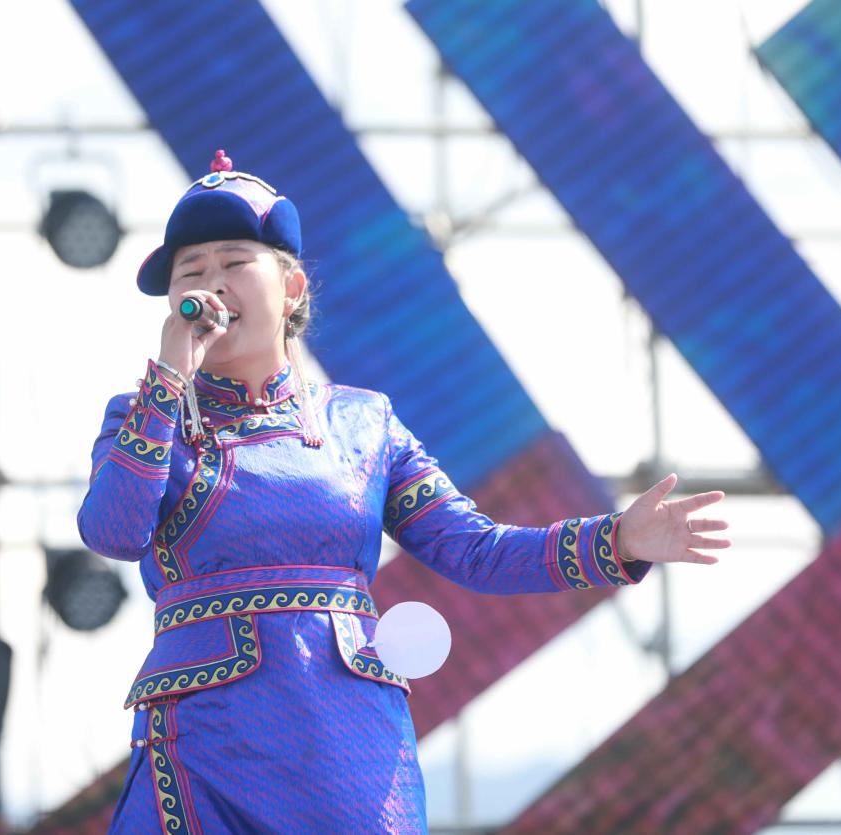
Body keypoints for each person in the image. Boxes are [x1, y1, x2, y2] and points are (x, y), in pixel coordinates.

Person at [76, 150, 730, 834]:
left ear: (291, 287)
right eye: (191, 271)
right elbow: (113, 533)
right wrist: (168, 381)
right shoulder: (143, 416)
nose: (212, 284)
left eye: (235, 262)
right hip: (204, 744)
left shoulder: (363, 423)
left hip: (346, 745)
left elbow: (474, 551)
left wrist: (616, 541)